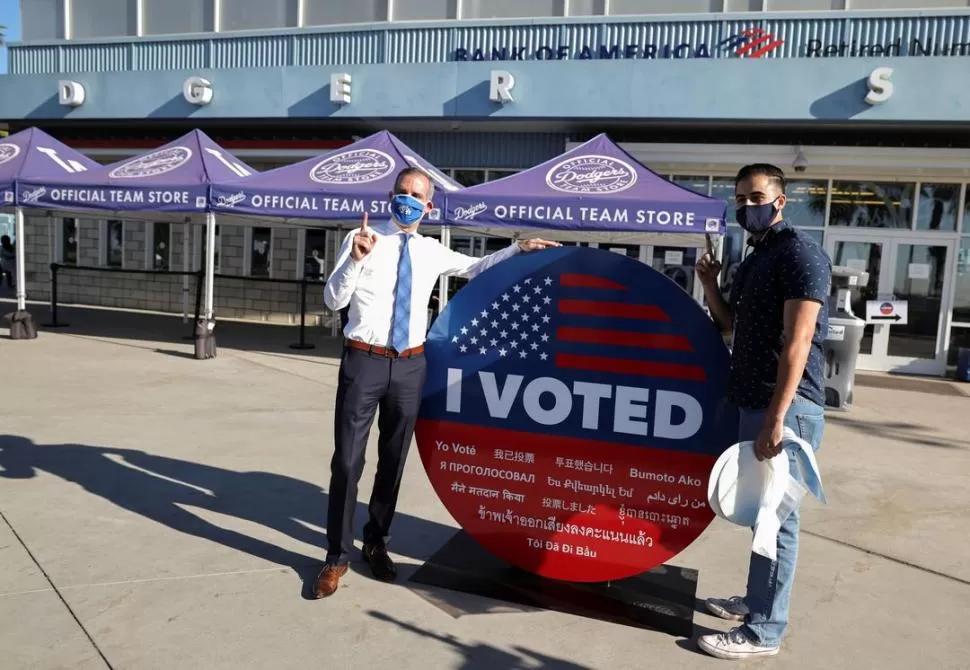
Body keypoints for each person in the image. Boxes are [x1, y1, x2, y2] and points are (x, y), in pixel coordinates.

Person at [315, 166, 559, 599]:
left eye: (416, 194)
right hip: (363, 362)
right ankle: (336, 556)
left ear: (429, 206)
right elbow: (333, 299)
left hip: (410, 367)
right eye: (401, 191)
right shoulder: (364, 239)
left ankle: (376, 541)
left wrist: (519, 249)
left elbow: (476, 266)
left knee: (393, 462)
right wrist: (354, 259)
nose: (406, 198)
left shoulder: (430, 250)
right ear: (392, 195)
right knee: (348, 463)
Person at [694, 163, 832, 660]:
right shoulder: (757, 259)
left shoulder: (800, 255)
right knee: (762, 515)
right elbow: (731, 326)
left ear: (780, 200)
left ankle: (764, 632)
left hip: (785, 407)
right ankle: (755, 602)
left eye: (755, 197)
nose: (746, 207)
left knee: (778, 519)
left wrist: (777, 417)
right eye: (739, 199)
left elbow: (799, 343)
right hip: (755, 401)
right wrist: (709, 283)